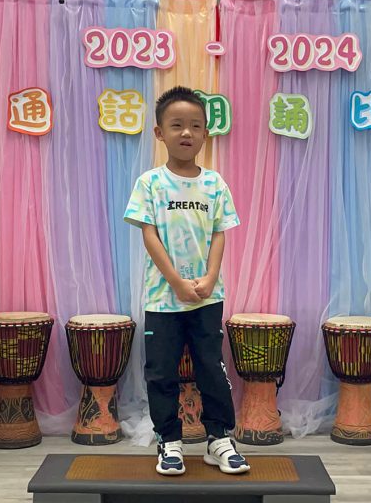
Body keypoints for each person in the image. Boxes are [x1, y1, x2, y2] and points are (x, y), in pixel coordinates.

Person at [124, 86, 249, 475]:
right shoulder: (150, 183)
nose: (186, 133)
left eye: (195, 126)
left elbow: (219, 234)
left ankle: (219, 440)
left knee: (212, 368)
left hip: (207, 297)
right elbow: (149, 235)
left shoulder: (215, 183)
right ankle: (170, 442)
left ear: (205, 134)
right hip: (163, 298)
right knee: (161, 373)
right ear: (159, 133)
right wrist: (177, 282)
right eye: (176, 125)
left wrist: (210, 278)